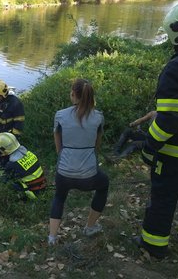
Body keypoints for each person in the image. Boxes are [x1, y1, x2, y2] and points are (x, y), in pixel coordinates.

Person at [136, 0, 178, 259]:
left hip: (177, 155)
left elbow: (170, 120)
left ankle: (153, 246)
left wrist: (149, 146)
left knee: (163, 200)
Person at [48, 78, 109, 245]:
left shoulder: (60, 115)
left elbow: (58, 148)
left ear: (73, 94)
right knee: (103, 184)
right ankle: (90, 227)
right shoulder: (98, 117)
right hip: (89, 176)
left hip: (64, 173)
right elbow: (97, 147)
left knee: (59, 196)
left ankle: (52, 237)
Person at [0, 132, 47, 200]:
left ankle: (21, 200)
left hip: (33, 194)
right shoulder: (30, 153)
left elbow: (3, 180)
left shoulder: (12, 164)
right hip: (43, 187)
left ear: (4, 149)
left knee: (8, 182)